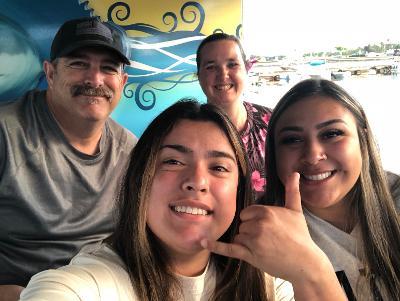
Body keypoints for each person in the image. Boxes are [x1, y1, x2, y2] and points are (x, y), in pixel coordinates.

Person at [20, 100, 346, 300]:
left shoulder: (266, 283)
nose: (197, 182)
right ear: (140, 180)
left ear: (239, 192)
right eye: (173, 161)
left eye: (219, 167)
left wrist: (312, 270)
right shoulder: (89, 283)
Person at [0, 17, 137, 299]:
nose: (94, 79)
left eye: (108, 68)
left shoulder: (130, 150)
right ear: (50, 73)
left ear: (121, 82)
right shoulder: (6, 134)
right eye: (78, 63)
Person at [263, 78, 400, 300]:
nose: (312, 155)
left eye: (331, 134)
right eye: (292, 139)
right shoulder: (262, 234)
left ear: (363, 139)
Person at [196, 33, 272, 200]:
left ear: (246, 69)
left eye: (232, 64)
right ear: (198, 76)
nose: (223, 74)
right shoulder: (185, 130)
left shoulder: (272, 122)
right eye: (210, 66)